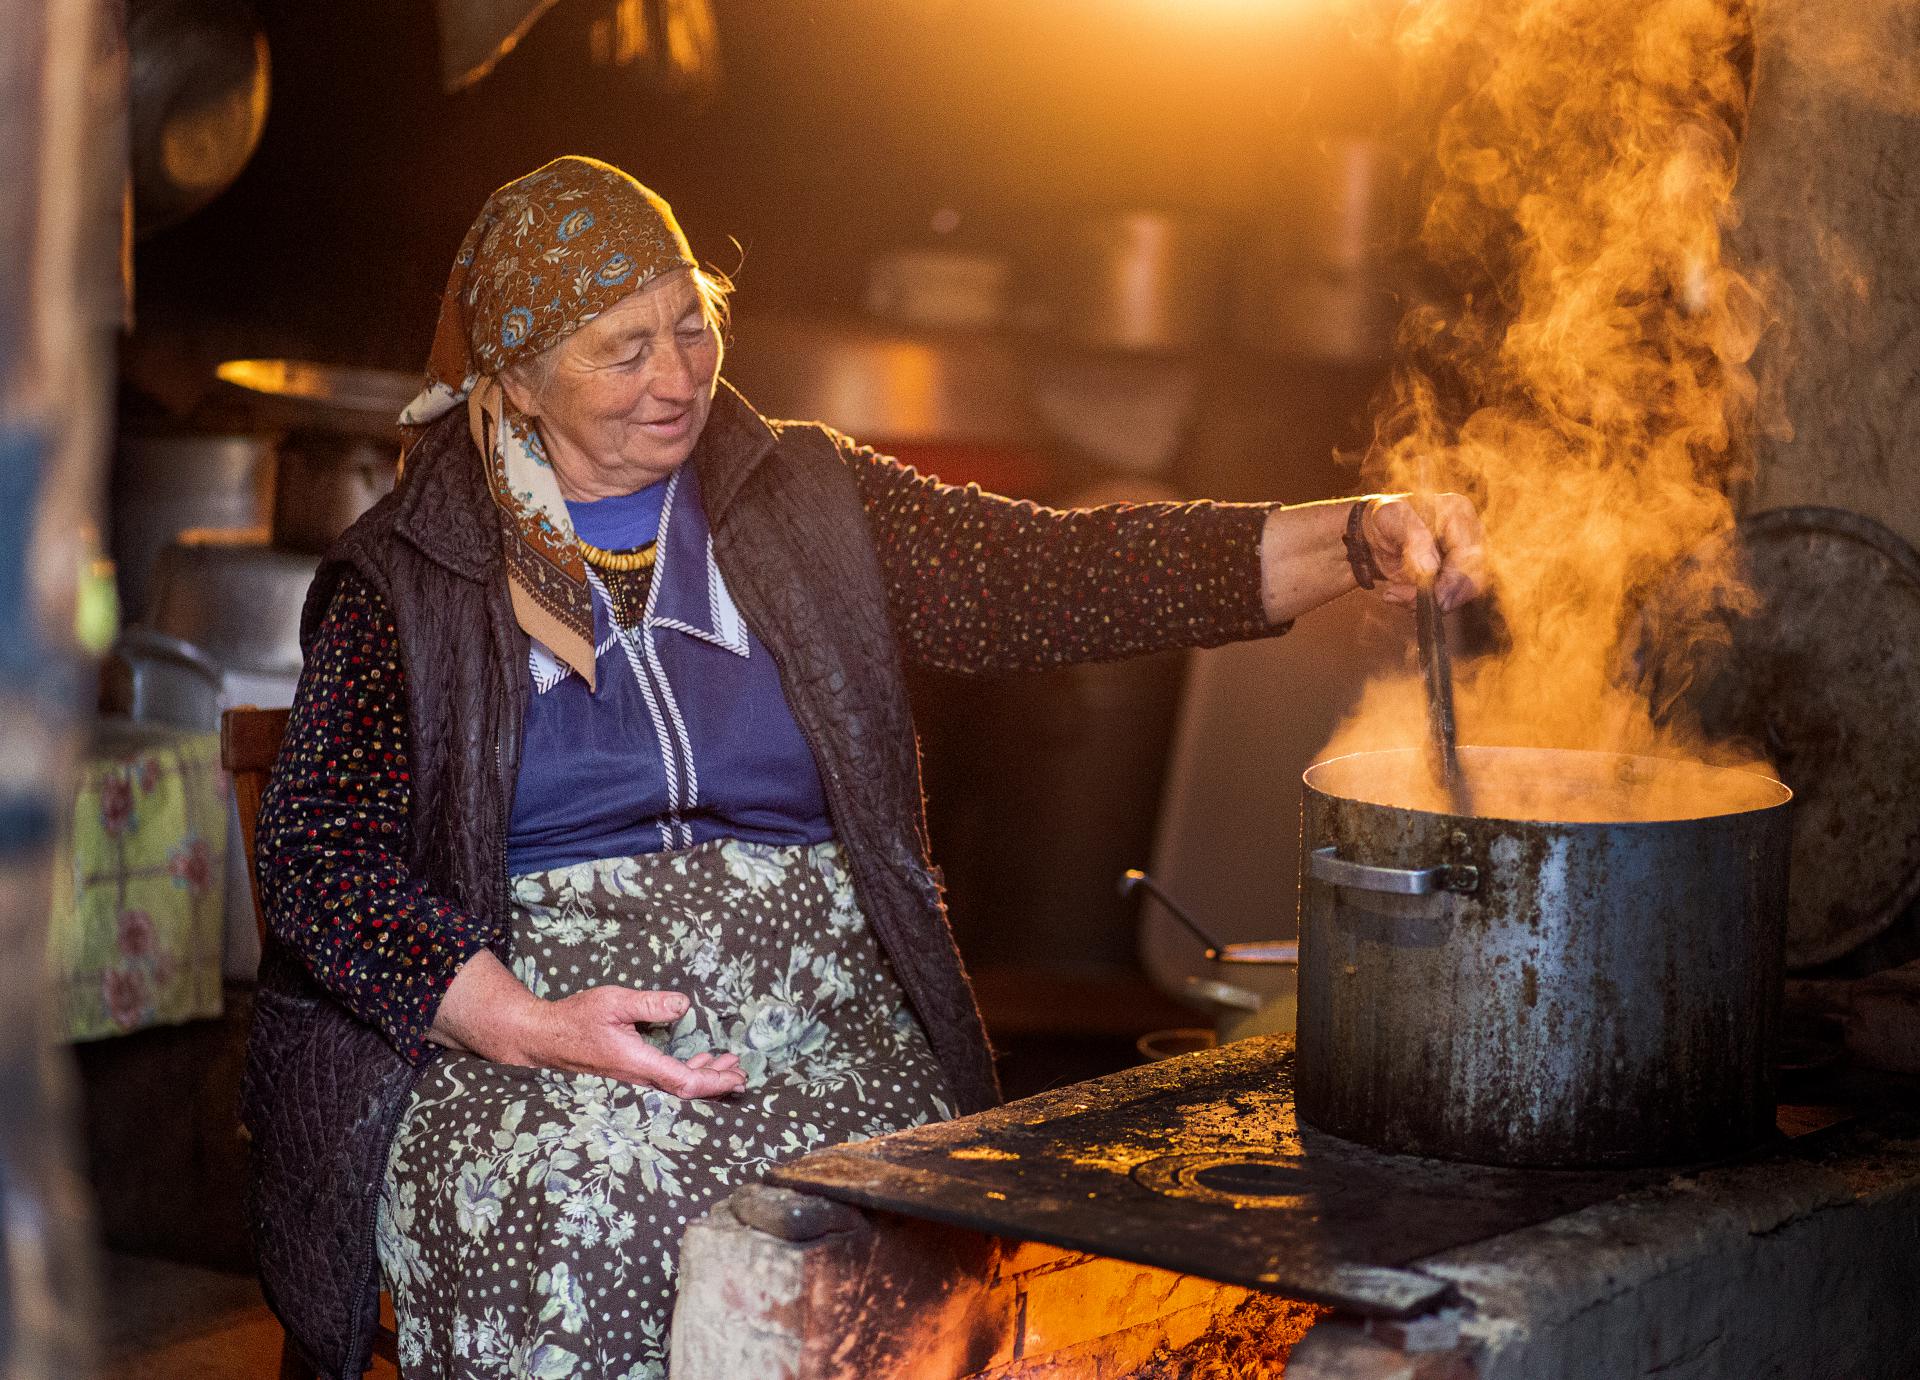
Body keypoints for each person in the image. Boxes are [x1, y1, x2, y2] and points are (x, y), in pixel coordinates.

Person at [241, 155, 1486, 1380]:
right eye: (621, 350)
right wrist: (514, 1022)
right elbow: (317, 855)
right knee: (593, 1221)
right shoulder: (411, 575)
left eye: (691, 325)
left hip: (824, 1028)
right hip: (545, 1050)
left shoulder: (804, 497)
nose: (676, 378)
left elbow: (1047, 578)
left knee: (903, 1233)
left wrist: (1357, 540)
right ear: (514, 377)